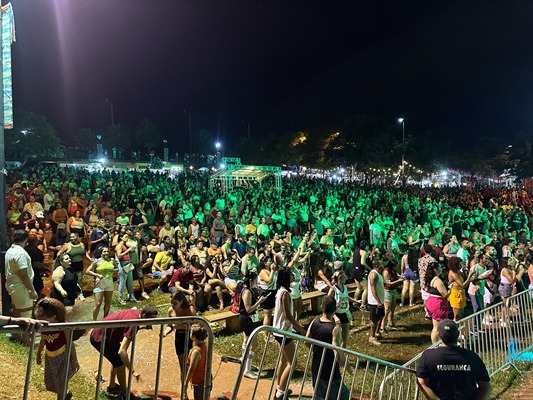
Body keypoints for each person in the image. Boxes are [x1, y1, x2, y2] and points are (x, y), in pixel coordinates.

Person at [90, 305, 158, 400]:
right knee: (120, 363)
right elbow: (122, 351)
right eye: (151, 319)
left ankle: (112, 387)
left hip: (103, 335)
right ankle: (126, 395)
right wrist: (133, 371)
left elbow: (126, 325)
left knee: (116, 361)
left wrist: (142, 327)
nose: (152, 322)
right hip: (100, 339)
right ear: (144, 315)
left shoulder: (135, 313)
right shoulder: (134, 323)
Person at [416, 319, 492, 400]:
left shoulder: (428, 356)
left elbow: (422, 383)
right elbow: (486, 387)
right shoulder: (472, 357)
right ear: (457, 334)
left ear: (439, 335)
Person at [306, 296, 351, 400]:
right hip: (330, 371)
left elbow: (306, 340)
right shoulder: (334, 329)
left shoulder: (314, 322)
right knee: (343, 396)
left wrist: (316, 350)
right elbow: (337, 355)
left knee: (320, 396)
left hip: (316, 367)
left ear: (321, 307)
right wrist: (347, 366)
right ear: (335, 309)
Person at [35, 298, 79, 400]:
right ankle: (65, 395)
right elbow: (43, 340)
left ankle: (62, 397)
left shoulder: (64, 326)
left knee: (62, 382)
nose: (41, 323)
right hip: (50, 357)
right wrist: (38, 354)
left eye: (43, 320)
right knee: (54, 382)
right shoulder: (44, 326)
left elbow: (70, 343)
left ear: (54, 317)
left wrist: (74, 360)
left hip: (63, 357)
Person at [272, 267, 306, 400]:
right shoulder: (285, 293)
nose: (293, 275)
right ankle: (280, 392)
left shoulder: (280, 291)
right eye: (291, 274)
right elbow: (288, 315)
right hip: (283, 332)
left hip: (278, 331)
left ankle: (279, 387)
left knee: (283, 360)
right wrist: (300, 329)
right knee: (293, 363)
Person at [5, 229, 39, 344]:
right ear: (25, 239)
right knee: (26, 313)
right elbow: (23, 274)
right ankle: (26, 340)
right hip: (21, 287)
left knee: (16, 310)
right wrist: (31, 290)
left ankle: (16, 336)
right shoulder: (21, 254)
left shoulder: (10, 250)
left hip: (13, 286)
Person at [164, 291, 196, 395]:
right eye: (171, 303)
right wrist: (165, 333)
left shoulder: (190, 309)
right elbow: (169, 326)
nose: (173, 306)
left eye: (175, 303)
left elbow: (195, 325)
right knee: (183, 367)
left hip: (190, 338)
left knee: (192, 365)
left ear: (182, 301)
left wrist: (180, 325)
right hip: (179, 338)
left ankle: (195, 386)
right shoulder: (171, 311)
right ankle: (184, 391)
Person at [238, 271, 267, 379]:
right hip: (247, 319)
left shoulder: (247, 290)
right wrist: (259, 302)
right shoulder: (247, 292)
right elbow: (248, 309)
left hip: (245, 319)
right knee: (254, 345)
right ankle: (247, 370)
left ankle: (244, 362)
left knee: (246, 342)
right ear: (250, 280)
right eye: (255, 280)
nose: (256, 282)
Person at [86, 247, 118, 320]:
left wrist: (114, 270)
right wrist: (97, 275)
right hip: (99, 282)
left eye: (107, 252)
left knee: (108, 302)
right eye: (104, 251)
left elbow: (117, 268)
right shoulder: (96, 261)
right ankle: (94, 320)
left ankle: (105, 319)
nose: (106, 253)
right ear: (101, 253)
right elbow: (88, 271)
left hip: (109, 282)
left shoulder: (112, 260)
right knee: (98, 304)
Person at [425, 262, 451, 344]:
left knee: (436, 325)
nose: (441, 268)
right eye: (440, 267)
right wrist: (450, 289)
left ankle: (437, 343)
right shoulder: (438, 281)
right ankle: (435, 345)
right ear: (435, 270)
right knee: (437, 327)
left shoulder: (430, 279)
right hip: (438, 304)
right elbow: (445, 295)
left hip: (431, 301)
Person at [57, 232, 87, 301]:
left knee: (79, 279)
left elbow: (84, 253)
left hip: (79, 264)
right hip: (70, 265)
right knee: (72, 280)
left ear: (77, 237)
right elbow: (59, 253)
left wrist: (90, 258)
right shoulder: (67, 245)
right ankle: (73, 294)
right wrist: (61, 261)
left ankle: (80, 293)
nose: (71, 238)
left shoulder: (82, 244)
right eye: (70, 237)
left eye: (73, 237)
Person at [50, 253, 80, 321]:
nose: (69, 259)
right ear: (61, 262)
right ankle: (64, 326)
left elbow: (72, 280)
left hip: (70, 294)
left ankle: (66, 325)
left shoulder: (69, 268)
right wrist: (62, 291)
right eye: (66, 259)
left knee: (69, 312)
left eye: (69, 258)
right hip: (62, 296)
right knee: (66, 313)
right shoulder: (59, 270)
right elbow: (56, 282)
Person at [327, 270, 352, 348]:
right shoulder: (333, 289)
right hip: (336, 314)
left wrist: (356, 301)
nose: (345, 278)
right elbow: (327, 303)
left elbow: (346, 297)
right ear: (338, 278)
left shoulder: (345, 287)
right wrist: (334, 316)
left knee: (345, 337)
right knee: (336, 337)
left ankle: (342, 352)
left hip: (345, 313)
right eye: (343, 277)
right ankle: (334, 352)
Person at [185, 324, 211, 400]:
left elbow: (191, 369)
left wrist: (186, 383)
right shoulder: (204, 345)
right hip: (206, 379)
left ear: (193, 337)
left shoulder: (196, 351)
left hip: (200, 383)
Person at [368, 258, 385, 346]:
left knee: (381, 317)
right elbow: (373, 288)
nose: (383, 264)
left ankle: (377, 333)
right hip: (375, 302)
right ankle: (372, 337)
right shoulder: (373, 274)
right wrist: (378, 301)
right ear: (378, 265)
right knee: (374, 320)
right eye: (382, 263)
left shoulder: (378, 274)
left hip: (380, 300)